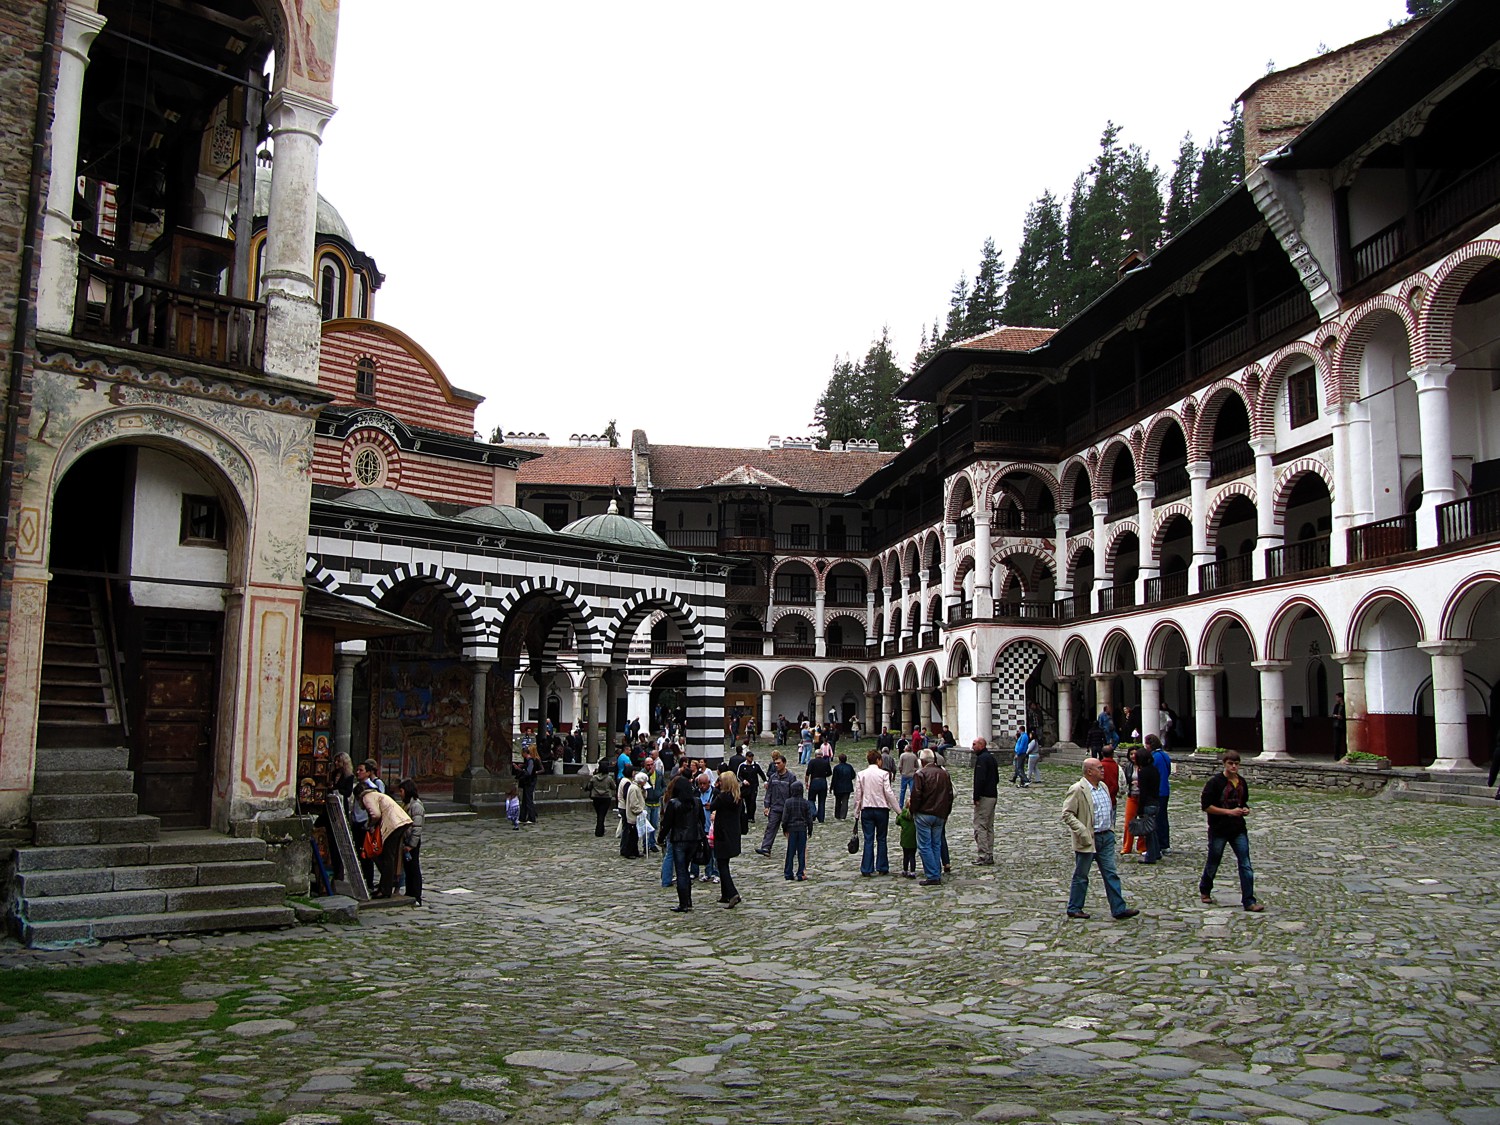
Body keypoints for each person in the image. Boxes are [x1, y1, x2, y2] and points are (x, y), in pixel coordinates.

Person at [1060, 758, 1139, 921]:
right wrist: (1082, 831)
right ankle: (1074, 907)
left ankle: (1118, 908)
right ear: (1089, 771)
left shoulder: (1102, 787)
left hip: (1106, 836)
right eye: (1099, 768)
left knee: (1111, 873)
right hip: (1089, 838)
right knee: (1081, 875)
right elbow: (1067, 813)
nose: (1103, 770)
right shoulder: (1078, 789)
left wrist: (1110, 829)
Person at [1199, 750, 1264, 911]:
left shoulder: (1241, 782)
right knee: (1214, 861)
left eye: (1236, 764)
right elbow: (1206, 806)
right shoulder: (1215, 783)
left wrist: (1244, 809)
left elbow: (1243, 802)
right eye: (1231, 763)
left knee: (1245, 864)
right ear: (1225, 764)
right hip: (1219, 828)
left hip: (1238, 828)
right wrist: (1228, 812)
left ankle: (1249, 900)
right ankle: (1205, 888)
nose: (1234, 767)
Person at [354, 779, 413, 899]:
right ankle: (385, 886)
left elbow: (375, 814)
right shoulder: (377, 795)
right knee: (388, 856)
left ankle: (385, 889)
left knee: (388, 857)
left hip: (393, 824)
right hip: (399, 822)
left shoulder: (367, 797)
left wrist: (369, 825)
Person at [660, 765, 703, 912]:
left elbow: (667, 823)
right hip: (693, 839)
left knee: (681, 871)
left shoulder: (674, 803)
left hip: (679, 839)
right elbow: (701, 820)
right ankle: (688, 900)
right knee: (686, 869)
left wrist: (661, 837)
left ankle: (683, 902)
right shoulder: (696, 802)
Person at [909, 748, 954, 886]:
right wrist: (946, 812)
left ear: (922, 761)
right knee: (936, 844)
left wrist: (912, 810)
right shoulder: (944, 774)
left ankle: (933, 874)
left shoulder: (920, 774)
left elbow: (916, 795)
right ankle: (936, 870)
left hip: (924, 813)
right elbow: (949, 795)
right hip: (940, 814)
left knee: (924, 845)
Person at [853, 748, 901, 876]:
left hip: (867, 809)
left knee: (868, 839)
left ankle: (867, 868)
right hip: (881, 809)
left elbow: (858, 795)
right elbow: (889, 793)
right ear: (878, 760)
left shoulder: (861, 774)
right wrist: (898, 811)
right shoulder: (884, 774)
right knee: (881, 838)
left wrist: (856, 812)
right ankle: (882, 866)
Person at [711, 771, 743, 907]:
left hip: (722, 834)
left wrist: (716, 789)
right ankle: (725, 894)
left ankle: (732, 892)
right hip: (733, 833)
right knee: (724, 862)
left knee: (722, 864)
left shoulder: (722, 797)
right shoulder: (737, 797)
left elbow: (712, 806)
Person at [755, 752, 793, 857]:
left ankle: (793, 848)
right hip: (775, 807)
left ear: (784, 763)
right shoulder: (773, 777)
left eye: (778, 763)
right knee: (771, 828)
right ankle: (766, 847)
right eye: (775, 763)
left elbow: (794, 794)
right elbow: (769, 793)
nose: (776, 765)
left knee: (789, 830)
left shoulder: (791, 777)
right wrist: (766, 806)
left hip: (787, 808)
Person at [971, 737, 998, 865]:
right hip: (993, 795)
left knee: (980, 825)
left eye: (975, 744)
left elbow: (979, 780)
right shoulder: (991, 758)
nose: (972, 747)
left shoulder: (982, 759)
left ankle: (983, 854)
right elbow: (996, 778)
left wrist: (976, 797)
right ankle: (990, 853)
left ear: (981, 745)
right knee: (989, 826)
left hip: (985, 797)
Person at [397, 778, 424, 907]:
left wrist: (411, 845)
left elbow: (417, 828)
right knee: (408, 869)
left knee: (414, 868)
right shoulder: (406, 805)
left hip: (412, 842)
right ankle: (409, 892)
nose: (400, 794)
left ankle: (416, 895)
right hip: (406, 840)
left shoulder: (416, 806)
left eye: (401, 791)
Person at [781, 779, 814, 881]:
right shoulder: (805, 803)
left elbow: (785, 817)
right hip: (802, 829)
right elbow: (809, 818)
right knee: (801, 852)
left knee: (790, 852)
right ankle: (800, 873)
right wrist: (810, 830)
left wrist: (784, 828)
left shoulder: (788, 802)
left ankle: (788, 873)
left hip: (791, 828)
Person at [1134, 744, 1161, 864]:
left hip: (1148, 803)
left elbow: (1143, 792)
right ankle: (1156, 852)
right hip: (1156, 801)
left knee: (1148, 832)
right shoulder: (1154, 769)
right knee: (1153, 830)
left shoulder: (1143, 772)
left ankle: (1150, 856)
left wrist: (1140, 809)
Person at [1149, 733, 1173, 855]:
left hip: (1158, 790)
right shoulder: (1164, 756)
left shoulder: (1154, 758)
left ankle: (1160, 844)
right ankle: (1165, 843)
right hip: (1165, 789)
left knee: (1158, 818)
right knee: (1163, 817)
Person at [585, 756, 616, 836]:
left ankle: (600, 829)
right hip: (606, 798)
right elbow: (613, 787)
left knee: (599, 813)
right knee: (602, 814)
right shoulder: (609, 779)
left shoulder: (594, 778)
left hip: (596, 797)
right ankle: (599, 830)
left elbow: (589, 786)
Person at [737, 750, 765, 832]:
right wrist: (743, 781)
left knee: (752, 800)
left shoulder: (755, 765)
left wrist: (765, 781)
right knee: (746, 800)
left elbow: (761, 773)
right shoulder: (742, 766)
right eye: (749, 757)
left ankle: (751, 816)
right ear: (746, 757)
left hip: (753, 786)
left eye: (752, 757)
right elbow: (738, 775)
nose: (751, 758)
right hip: (745, 787)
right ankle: (746, 814)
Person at [622, 772, 647, 858]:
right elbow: (633, 804)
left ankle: (635, 851)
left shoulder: (638, 788)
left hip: (637, 815)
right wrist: (639, 811)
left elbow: (643, 797)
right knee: (632, 835)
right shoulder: (634, 788)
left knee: (635, 835)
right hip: (633, 816)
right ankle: (629, 852)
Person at [805, 747, 832, 823]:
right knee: (822, 801)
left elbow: (807, 774)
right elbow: (830, 773)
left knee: (811, 799)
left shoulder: (812, 762)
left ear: (815, 755)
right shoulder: (826, 762)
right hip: (823, 781)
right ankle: (821, 818)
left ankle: (813, 812)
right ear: (822, 755)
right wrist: (824, 775)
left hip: (814, 781)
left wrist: (806, 783)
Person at [517, 746, 541, 824]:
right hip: (527, 782)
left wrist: (521, 771)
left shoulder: (531, 761)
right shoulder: (528, 761)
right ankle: (522, 817)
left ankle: (531, 817)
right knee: (525, 800)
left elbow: (529, 773)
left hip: (530, 782)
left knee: (528, 799)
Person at [831, 752, 857, 820]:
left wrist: (831, 787)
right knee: (845, 801)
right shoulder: (849, 767)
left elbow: (834, 778)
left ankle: (837, 815)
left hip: (838, 787)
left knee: (838, 801)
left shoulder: (836, 768)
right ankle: (843, 815)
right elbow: (853, 775)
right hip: (847, 787)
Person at [896, 796, 917, 878]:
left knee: (905, 855)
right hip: (914, 840)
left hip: (905, 840)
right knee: (912, 856)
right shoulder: (916, 817)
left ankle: (905, 870)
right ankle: (912, 871)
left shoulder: (902, 816)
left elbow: (897, 822)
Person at [898, 742, 920, 808]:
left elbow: (899, 766)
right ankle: (912, 804)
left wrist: (901, 772)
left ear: (906, 749)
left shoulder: (902, 755)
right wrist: (914, 770)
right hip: (912, 775)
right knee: (912, 791)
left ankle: (900, 805)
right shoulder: (914, 756)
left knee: (902, 791)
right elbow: (917, 766)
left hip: (904, 775)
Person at [1332, 692, 1347, 761]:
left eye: (1337, 697)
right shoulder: (1337, 706)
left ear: (1340, 698)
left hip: (1343, 724)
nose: (1336, 699)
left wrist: (1342, 717)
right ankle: (1336, 757)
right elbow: (1333, 714)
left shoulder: (1345, 706)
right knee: (1336, 741)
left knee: (1345, 740)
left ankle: (1345, 754)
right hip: (1337, 724)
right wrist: (1336, 716)